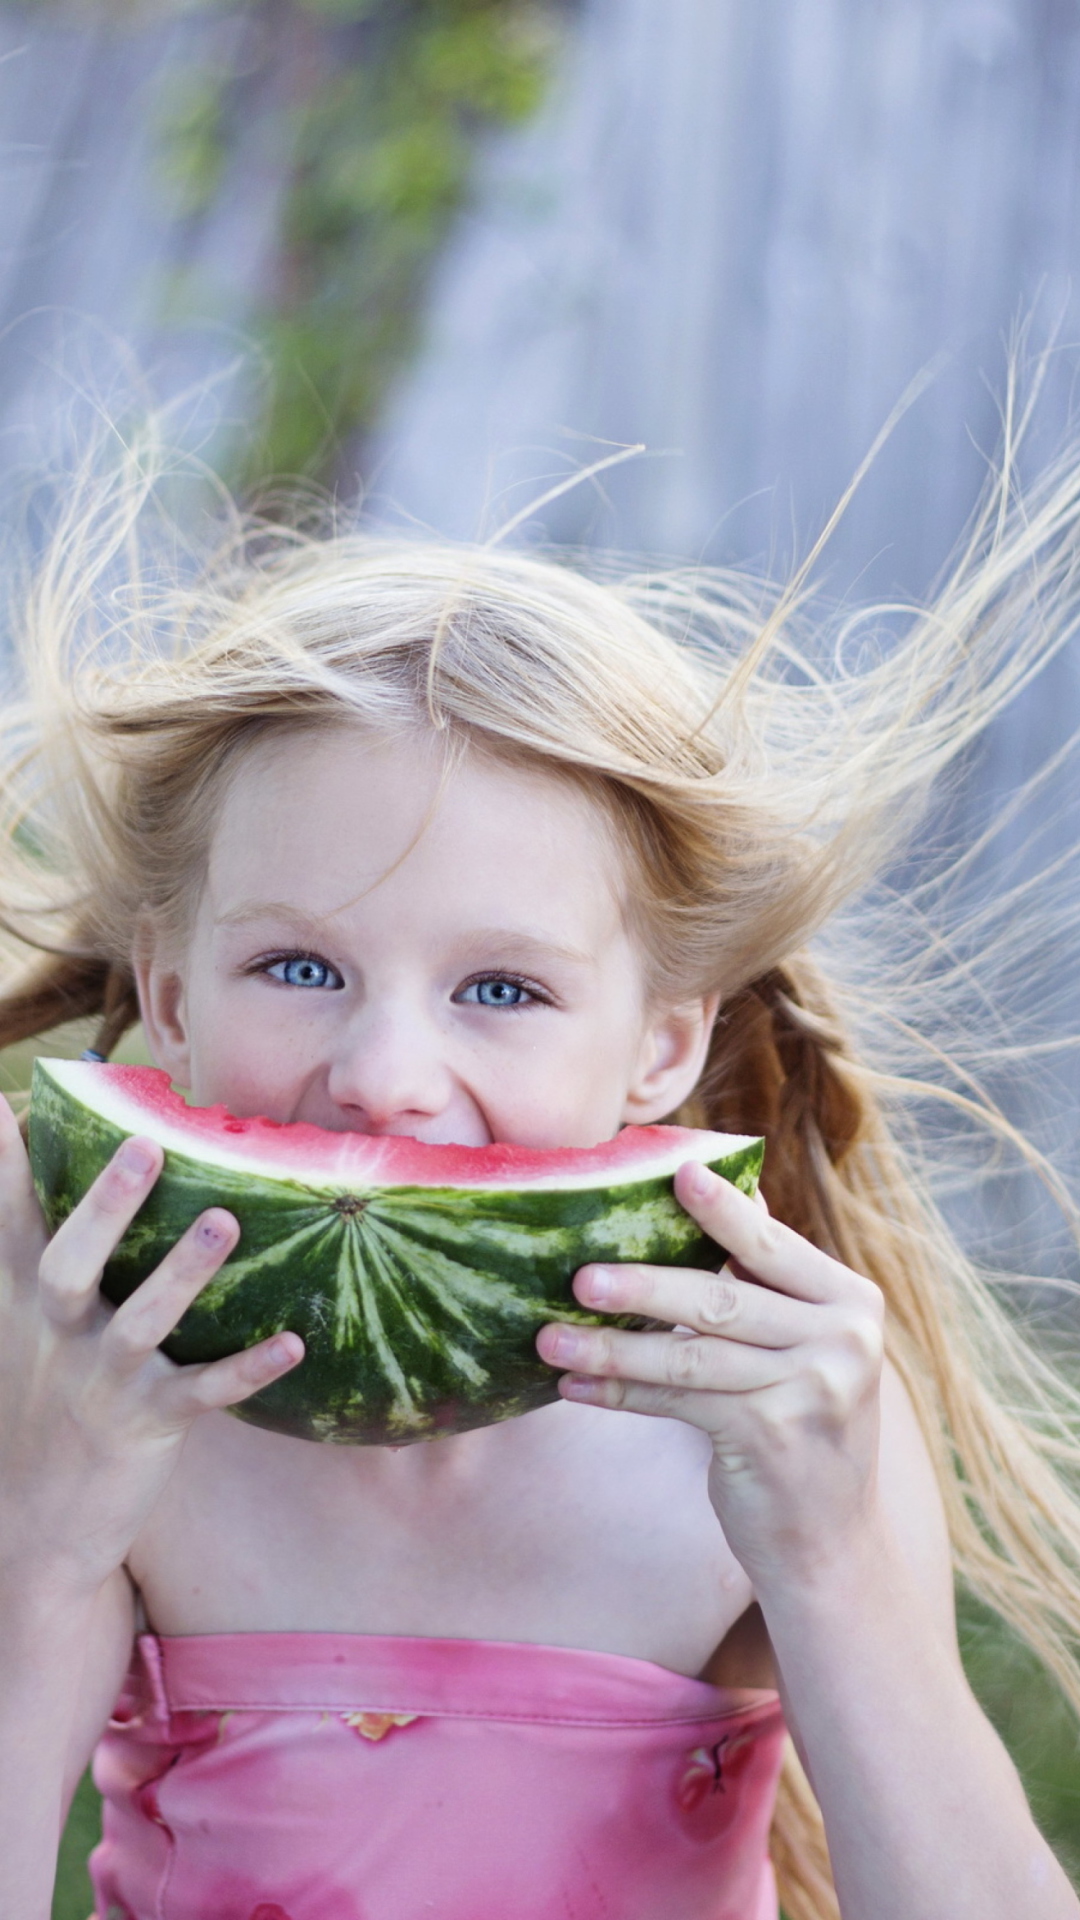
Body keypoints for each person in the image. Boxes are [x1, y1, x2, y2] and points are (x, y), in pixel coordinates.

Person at [1, 430, 1080, 1920]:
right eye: (299, 964)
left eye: (501, 989)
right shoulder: (88, 1377)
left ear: (660, 1049)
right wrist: (46, 1527)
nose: (385, 1074)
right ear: (171, 1001)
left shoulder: (755, 1421)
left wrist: (828, 1555)